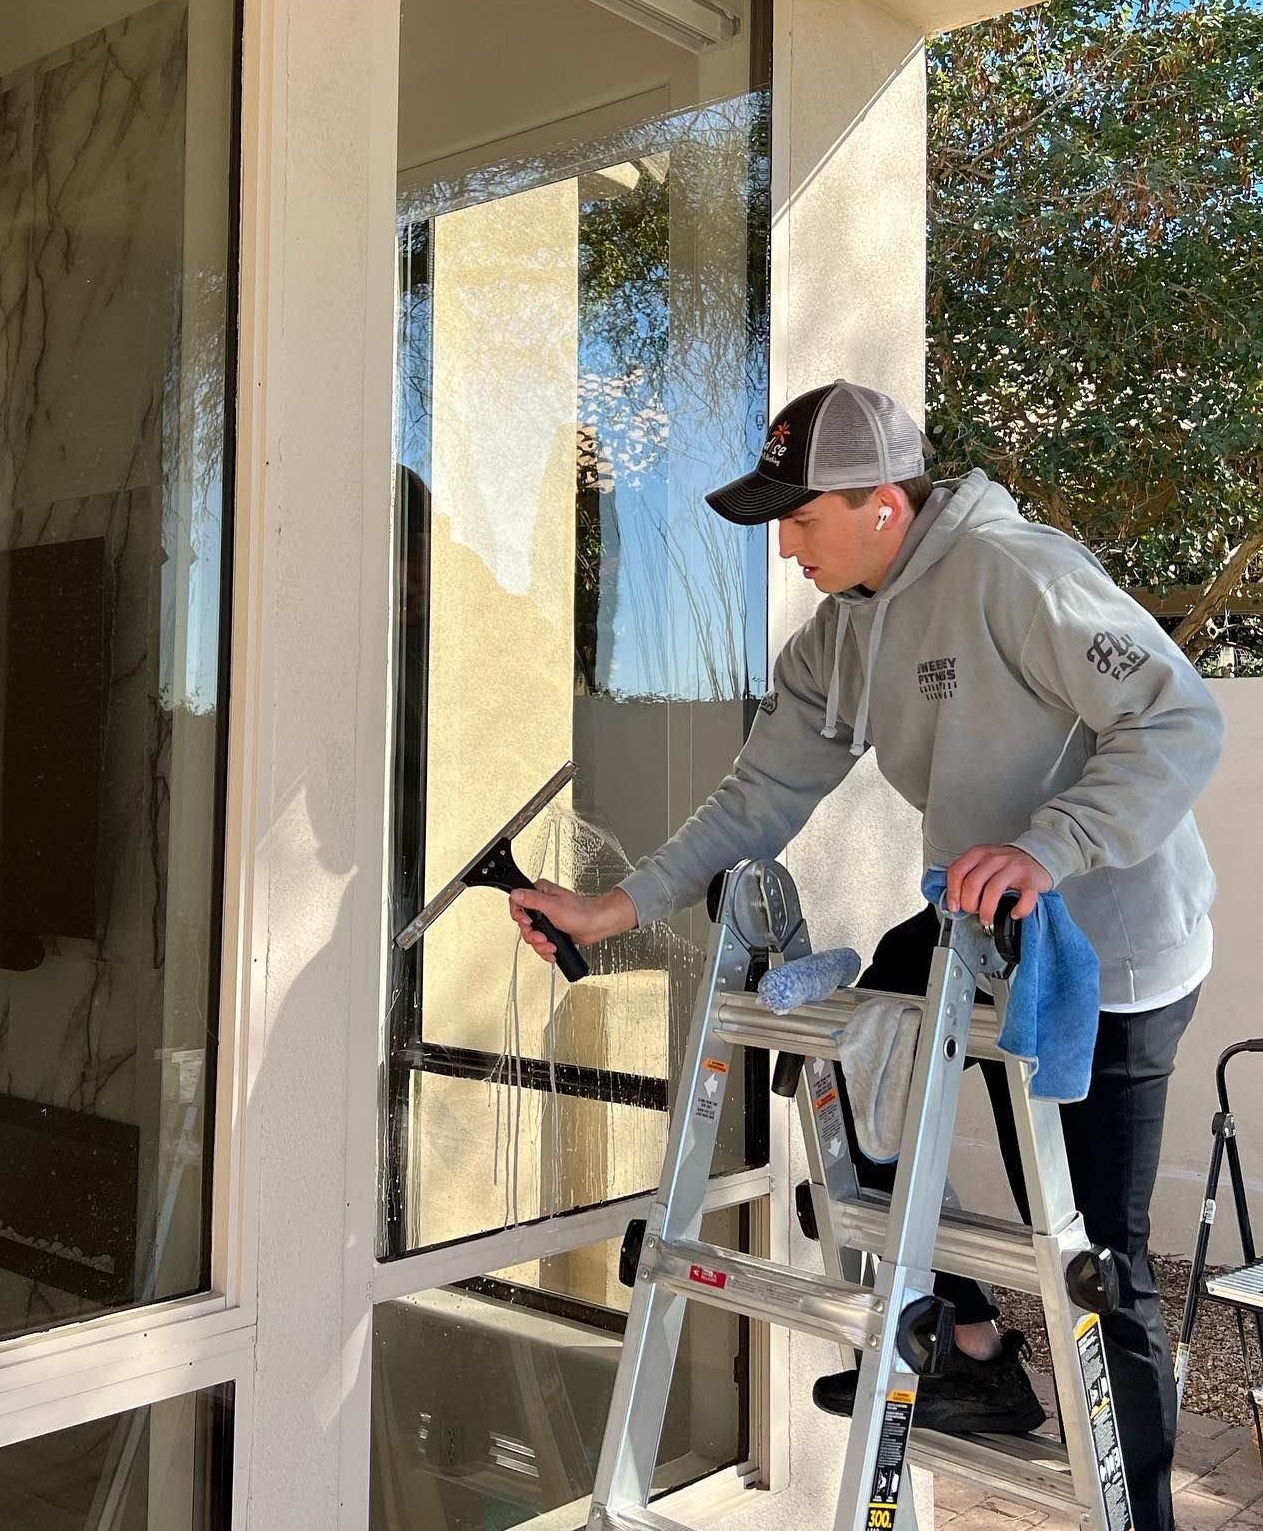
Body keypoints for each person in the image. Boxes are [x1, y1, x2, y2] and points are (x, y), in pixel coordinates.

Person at [509, 379, 1223, 1531]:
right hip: (981, 925)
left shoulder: (1016, 573)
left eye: (802, 519)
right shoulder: (845, 629)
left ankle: (1141, 1513)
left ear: (884, 502)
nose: (785, 545)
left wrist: (1053, 845)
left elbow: (1181, 717)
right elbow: (760, 792)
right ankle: (975, 1347)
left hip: (1121, 945)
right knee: (852, 1062)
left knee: (1099, 1250)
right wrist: (614, 907)